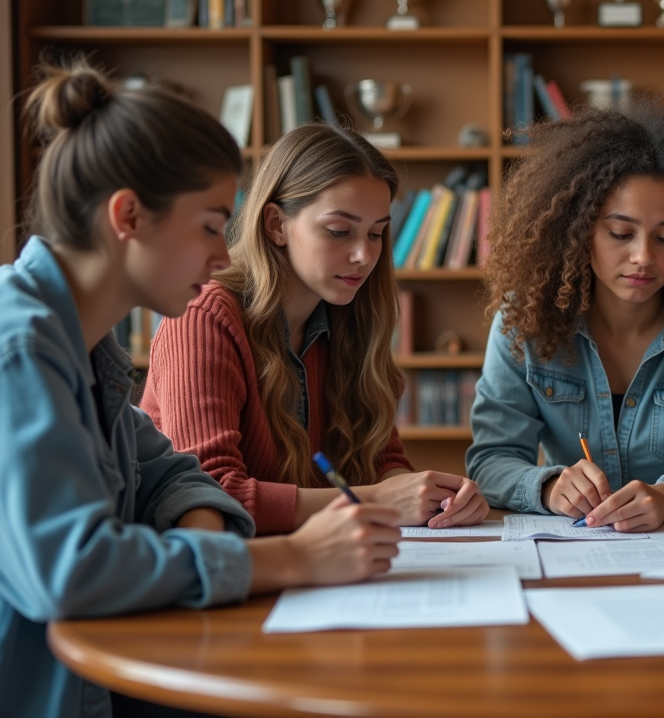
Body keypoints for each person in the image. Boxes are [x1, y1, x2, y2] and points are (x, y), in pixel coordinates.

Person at [0, 60, 404, 718]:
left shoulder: (85, 343)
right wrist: (291, 560)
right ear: (129, 216)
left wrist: (203, 529)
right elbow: (67, 573)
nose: (222, 255)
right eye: (211, 225)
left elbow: (169, 473)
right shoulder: (20, 347)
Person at [142, 123, 488, 534]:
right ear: (276, 224)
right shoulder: (202, 316)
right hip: (221, 567)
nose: (364, 255)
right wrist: (376, 499)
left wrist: (434, 497)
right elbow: (209, 496)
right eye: (339, 231)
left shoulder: (352, 316)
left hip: (317, 558)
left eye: (376, 233)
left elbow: (381, 461)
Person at [466, 100, 664, 531]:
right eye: (620, 233)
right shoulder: (525, 319)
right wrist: (551, 487)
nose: (643, 257)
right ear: (579, 229)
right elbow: (492, 459)